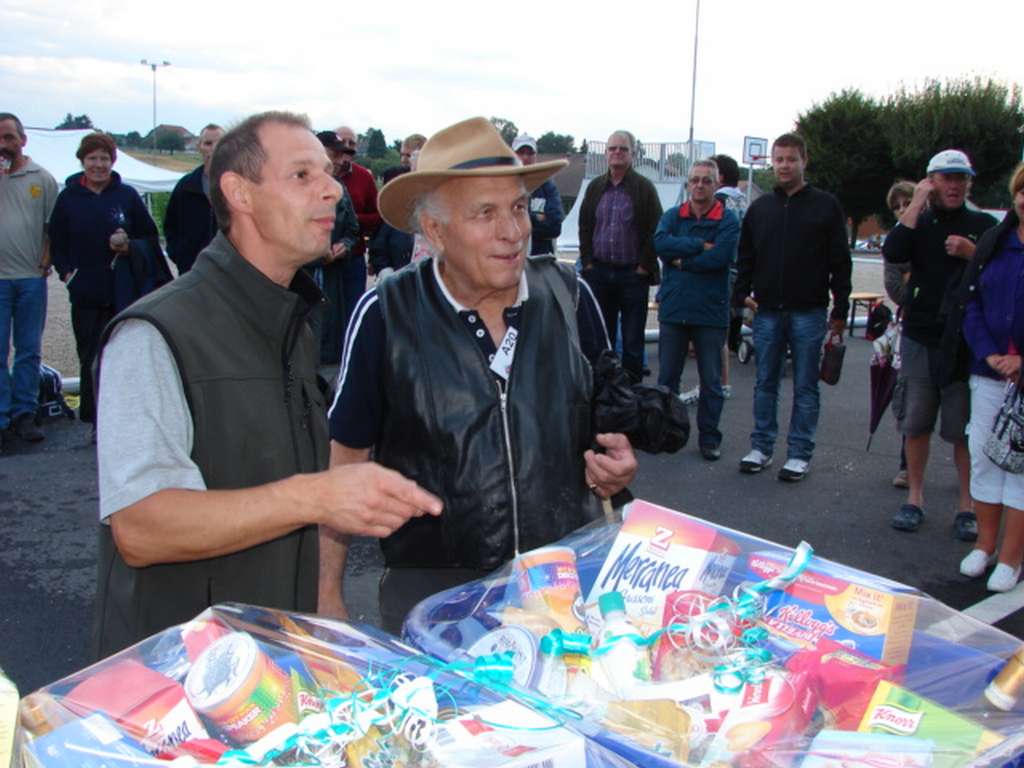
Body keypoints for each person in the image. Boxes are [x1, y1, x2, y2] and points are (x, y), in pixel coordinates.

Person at [91, 111, 441, 657]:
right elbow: (141, 527)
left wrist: (325, 598)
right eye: (302, 175)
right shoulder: (155, 333)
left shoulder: (289, 317)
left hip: (271, 663)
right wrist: (316, 496)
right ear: (240, 194)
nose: (331, 191)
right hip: (181, 685)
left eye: (327, 174)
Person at [322, 117, 635, 633]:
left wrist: (619, 466)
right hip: (435, 606)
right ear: (435, 231)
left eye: (517, 207)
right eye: (485, 213)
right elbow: (343, 467)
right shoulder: (386, 315)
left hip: (560, 593)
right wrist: (328, 595)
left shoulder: (570, 295)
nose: (512, 231)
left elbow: (610, 419)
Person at [883, 149, 997, 538]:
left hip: (965, 341)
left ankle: (967, 505)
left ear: (969, 183)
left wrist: (973, 253)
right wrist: (915, 201)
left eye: (960, 178)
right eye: (945, 178)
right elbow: (894, 251)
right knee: (916, 422)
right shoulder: (920, 222)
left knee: (961, 428)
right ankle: (914, 498)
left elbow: (1000, 274)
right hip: (920, 335)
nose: (953, 185)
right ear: (931, 182)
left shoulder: (983, 224)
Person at [732, 132, 851, 482]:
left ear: (804, 161)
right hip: (767, 310)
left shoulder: (826, 206)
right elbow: (746, 257)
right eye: (779, 159)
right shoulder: (760, 208)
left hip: (809, 311)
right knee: (764, 382)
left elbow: (841, 262)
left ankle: (799, 453)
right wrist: (741, 297)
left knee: (805, 385)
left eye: (791, 159)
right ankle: (761, 447)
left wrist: (840, 310)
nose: (784, 165)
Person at [49, 132, 160, 428]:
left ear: (112, 161)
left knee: (124, 355)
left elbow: (149, 235)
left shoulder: (127, 196)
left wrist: (130, 245)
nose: (98, 165)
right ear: (82, 161)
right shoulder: (68, 198)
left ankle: (126, 420)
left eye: (104, 159)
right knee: (90, 355)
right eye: (92, 159)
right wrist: (67, 273)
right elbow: (57, 240)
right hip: (86, 291)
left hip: (123, 290)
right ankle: (96, 419)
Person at [958, 162, 1024, 591]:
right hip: (987, 371)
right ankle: (984, 546)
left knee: (1019, 466)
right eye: (1022, 191)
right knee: (983, 455)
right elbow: (972, 303)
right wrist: (990, 353)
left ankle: (1012, 559)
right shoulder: (995, 243)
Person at [654, 159, 739, 461]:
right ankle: (665, 433)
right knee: (667, 380)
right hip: (675, 309)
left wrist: (683, 260)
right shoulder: (672, 216)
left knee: (711, 381)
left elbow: (721, 258)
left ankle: (709, 438)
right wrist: (698, 245)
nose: (700, 185)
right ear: (688, 184)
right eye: (695, 180)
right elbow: (660, 244)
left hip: (710, 312)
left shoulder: (728, 220)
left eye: (706, 180)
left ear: (717, 184)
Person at [578, 130, 662, 380]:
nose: (617, 153)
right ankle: (606, 396)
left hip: (632, 276)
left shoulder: (644, 188)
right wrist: (589, 262)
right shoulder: (595, 188)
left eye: (623, 149)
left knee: (633, 340)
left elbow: (656, 228)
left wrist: (644, 267)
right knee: (602, 339)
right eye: (613, 148)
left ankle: (632, 398)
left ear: (633, 154)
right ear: (605, 153)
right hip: (600, 274)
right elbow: (584, 226)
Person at [0, 112, 58, 449]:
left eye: (9, 138)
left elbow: (52, 226)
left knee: (28, 349)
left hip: (30, 278)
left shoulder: (43, 179)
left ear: (22, 140)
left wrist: (48, 255)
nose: (4, 145)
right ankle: (2, 416)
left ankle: (24, 413)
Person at [309, 131, 361, 373]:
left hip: (331, 281)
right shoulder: (292, 190)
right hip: (301, 280)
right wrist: (315, 253)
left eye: (342, 155)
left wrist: (344, 247)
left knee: (329, 354)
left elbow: (353, 230)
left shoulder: (339, 190)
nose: (340, 160)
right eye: (334, 154)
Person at [883, 180, 916, 489]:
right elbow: (897, 290)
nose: (903, 210)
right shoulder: (896, 243)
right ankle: (907, 467)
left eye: (908, 202)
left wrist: (914, 278)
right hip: (912, 330)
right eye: (898, 206)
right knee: (910, 399)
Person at [333, 126, 382, 330]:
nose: (346, 147)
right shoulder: (318, 176)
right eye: (341, 142)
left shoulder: (364, 177)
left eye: (351, 143)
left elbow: (378, 216)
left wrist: (349, 220)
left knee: (355, 313)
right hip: (322, 259)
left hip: (353, 256)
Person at [163, 124, 224, 275]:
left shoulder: (242, 186)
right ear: (199, 147)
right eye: (208, 143)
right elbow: (171, 227)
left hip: (229, 273)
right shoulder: (185, 187)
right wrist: (181, 256)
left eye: (220, 143)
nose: (213, 149)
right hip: (192, 272)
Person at [711, 152, 747, 399]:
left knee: (714, 326)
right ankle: (724, 376)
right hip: (741, 265)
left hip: (723, 266)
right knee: (727, 319)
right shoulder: (744, 200)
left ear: (719, 176)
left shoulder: (720, 201)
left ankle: (719, 381)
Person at [512, 133, 565, 255]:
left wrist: (522, 218)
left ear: (535, 156)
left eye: (530, 153)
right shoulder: (503, 187)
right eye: (521, 152)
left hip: (540, 262)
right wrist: (538, 218)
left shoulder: (547, 187)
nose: (525, 157)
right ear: (513, 155)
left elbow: (555, 228)